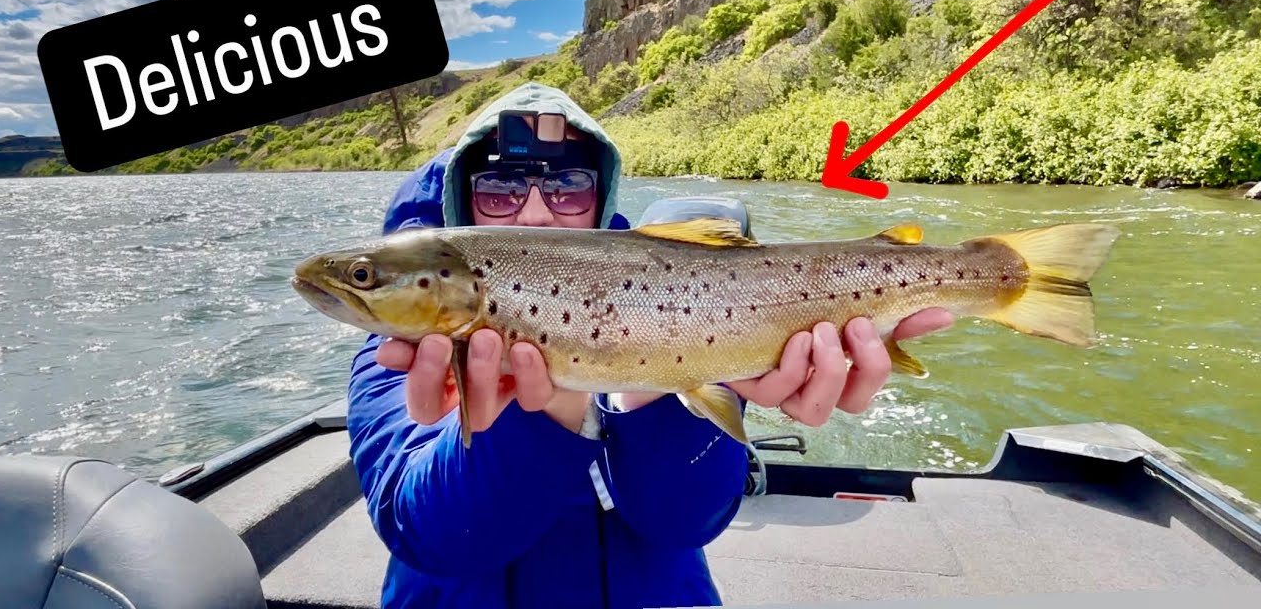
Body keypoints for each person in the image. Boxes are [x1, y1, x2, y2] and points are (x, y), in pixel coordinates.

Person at [344, 81, 953, 609]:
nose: (534, 214)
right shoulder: (400, 348)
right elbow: (427, 533)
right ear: (458, 206)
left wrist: (654, 395)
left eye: (569, 189)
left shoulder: (674, 306)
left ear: (602, 199)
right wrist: (540, 416)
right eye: (500, 191)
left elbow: (686, 521)